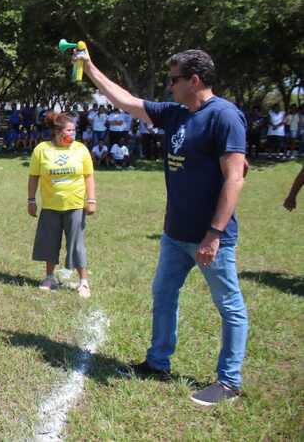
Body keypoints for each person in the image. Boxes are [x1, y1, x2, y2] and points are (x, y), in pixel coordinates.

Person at [77, 47, 248, 406]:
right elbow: (126, 100)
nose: (169, 86)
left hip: (210, 236)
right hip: (175, 234)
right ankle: (158, 362)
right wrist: (90, 68)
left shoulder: (225, 117)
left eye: (174, 79)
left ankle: (229, 381)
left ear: (194, 80)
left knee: (229, 305)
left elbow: (235, 179)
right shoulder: (174, 114)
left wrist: (214, 234)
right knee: (164, 294)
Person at [28, 112, 96, 299]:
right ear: (57, 132)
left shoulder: (81, 149)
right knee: (49, 242)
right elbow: (34, 176)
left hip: (74, 205)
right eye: (69, 130)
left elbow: (88, 176)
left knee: (76, 244)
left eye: (74, 130)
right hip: (50, 205)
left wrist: (91, 200)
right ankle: (50, 278)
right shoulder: (42, 150)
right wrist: (31, 200)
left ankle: (83, 281)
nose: (72, 134)